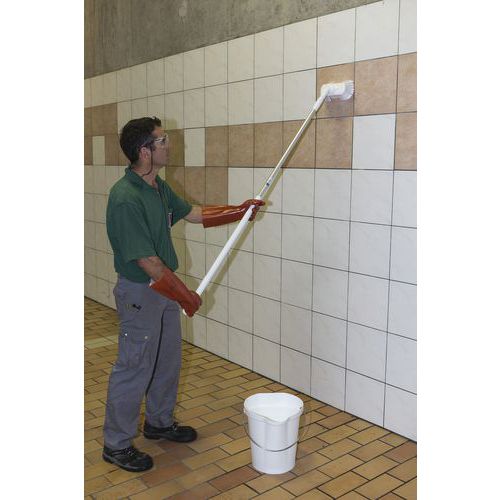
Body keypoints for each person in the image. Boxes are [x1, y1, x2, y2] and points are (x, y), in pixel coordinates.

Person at [102, 116, 264, 472]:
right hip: (140, 292)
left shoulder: (157, 187)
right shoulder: (125, 197)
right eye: (163, 141)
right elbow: (148, 262)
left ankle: (159, 423)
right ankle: (116, 444)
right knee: (134, 366)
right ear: (145, 151)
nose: (169, 145)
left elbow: (193, 214)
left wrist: (240, 211)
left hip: (163, 290)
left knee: (167, 360)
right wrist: (185, 295)